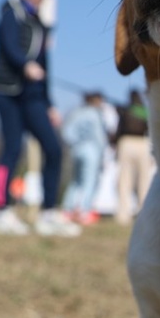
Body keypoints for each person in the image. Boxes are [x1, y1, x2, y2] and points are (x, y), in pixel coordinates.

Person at [0, 0, 79, 237]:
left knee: (54, 149)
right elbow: (9, 46)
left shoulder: (41, 22)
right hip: (5, 89)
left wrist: (49, 104)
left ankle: (48, 213)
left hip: (32, 95)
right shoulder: (10, 12)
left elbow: (44, 65)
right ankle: (1, 210)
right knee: (12, 148)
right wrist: (25, 65)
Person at [61, 92, 108, 225]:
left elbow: (67, 132)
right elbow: (99, 136)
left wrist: (75, 144)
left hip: (76, 150)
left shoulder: (77, 112)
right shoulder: (95, 114)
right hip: (92, 150)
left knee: (75, 181)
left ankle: (68, 210)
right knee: (89, 181)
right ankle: (84, 211)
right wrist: (102, 153)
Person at [113, 89, 155, 226]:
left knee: (124, 180)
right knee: (144, 180)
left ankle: (123, 215)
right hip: (143, 144)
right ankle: (144, 211)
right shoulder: (145, 111)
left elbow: (119, 129)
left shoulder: (125, 111)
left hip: (126, 143)